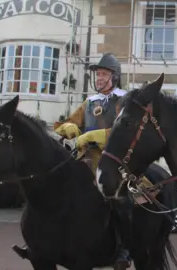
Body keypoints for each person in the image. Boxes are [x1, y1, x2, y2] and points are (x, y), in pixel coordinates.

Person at [12, 53, 132, 269]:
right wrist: (68, 128)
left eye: (104, 74)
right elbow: (69, 122)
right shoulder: (90, 102)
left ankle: (124, 249)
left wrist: (96, 136)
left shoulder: (123, 100)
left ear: (115, 77)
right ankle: (38, 243)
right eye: (98, 74)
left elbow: (125, 131)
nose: (99, 78)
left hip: (111, 160)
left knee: (119, 197)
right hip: (83, 159)